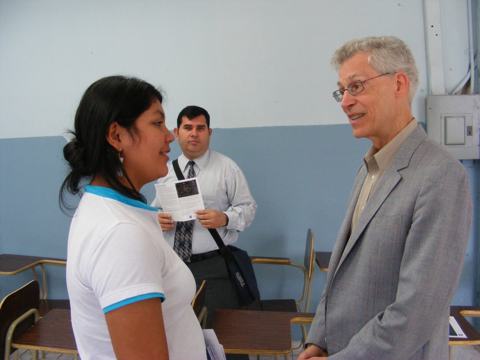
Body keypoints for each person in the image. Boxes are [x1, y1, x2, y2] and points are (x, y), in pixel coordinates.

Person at [298, 36, 472, 360]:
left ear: (399, 84)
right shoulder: (370, 167)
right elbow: (341, 272)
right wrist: (318, 340)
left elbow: (416, 312)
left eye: (356, 87)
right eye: (342, 90)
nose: (345, 102)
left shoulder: (440, 175)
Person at [60, 76, 207, 360]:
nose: (169, 136)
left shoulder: (115, 211)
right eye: (157, 123)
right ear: (117, 136)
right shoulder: (120, 234)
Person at [152, 105, 257, 325]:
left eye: (200, 128)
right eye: (187, 127)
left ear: (209, 132)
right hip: (173, 266)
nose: (193, 133)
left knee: (223, 335)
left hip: (213, 268)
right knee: (177, 333)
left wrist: (225, 218)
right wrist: (157, 218)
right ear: (176, 132)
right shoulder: (164, 170)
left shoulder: (227, 168)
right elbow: (155, 209)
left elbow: (248, 208)